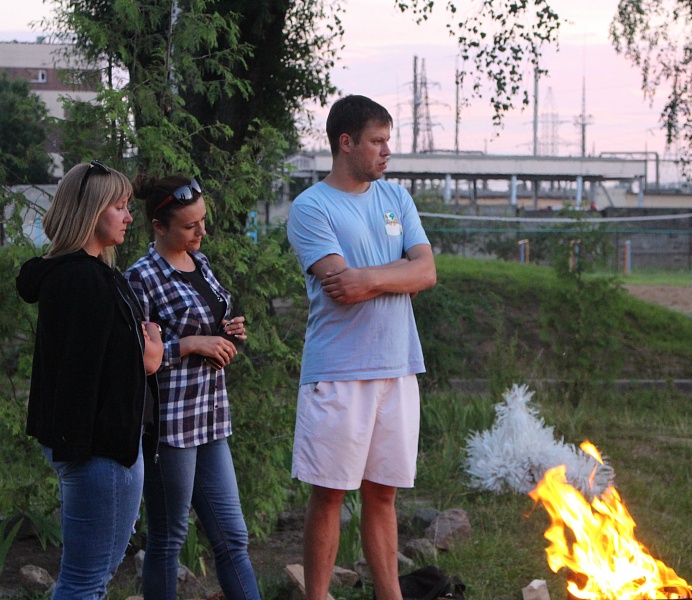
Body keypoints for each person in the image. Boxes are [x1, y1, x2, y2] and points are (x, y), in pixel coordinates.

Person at [286, 94, 437, 600]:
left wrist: (371, 276)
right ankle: (316, 596)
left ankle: (389, 596)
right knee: (329, 494)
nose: (386, 151)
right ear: (345, 143)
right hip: (339, 371)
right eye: (377, 141)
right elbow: (340, 288)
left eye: (387, 141)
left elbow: (428, 271)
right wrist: (399, 275)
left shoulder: (396, 199)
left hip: (398, 366)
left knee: (383, 494)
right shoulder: (311, 207)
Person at [16, 160, 164, 599]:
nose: (129, 215)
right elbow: (87, 371)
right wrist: (149, 357)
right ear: (91, 211)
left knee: (88, 579)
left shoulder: (79, 275)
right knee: (85, 582)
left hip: (96, 448)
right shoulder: (85, 280)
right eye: (119, 206)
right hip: (101, 450)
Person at [123, 173, 260, 600]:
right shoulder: (140, 278)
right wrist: (190, 344)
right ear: (159, 227)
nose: (202, 231)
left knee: (232, 536)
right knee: (169, 539)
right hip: (170, 427)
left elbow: (210, 320)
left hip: (211, 418)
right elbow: (130, 360)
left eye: (202, 221)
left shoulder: (200, 263)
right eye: (190, 226)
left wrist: (229, 332)